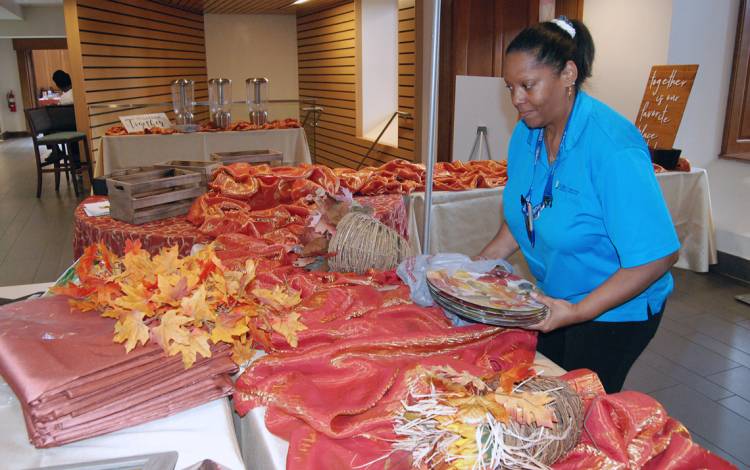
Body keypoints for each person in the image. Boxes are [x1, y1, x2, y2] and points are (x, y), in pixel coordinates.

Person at [478, 17, 680, 393]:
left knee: (579, 404)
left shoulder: (612, 146)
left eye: (527, 85)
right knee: (543, 383)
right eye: (510, 87)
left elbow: (657, 257)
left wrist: (578, 312)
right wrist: (477, 267)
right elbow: (524, 213)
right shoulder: (528, 133)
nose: (516, 100)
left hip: (615, 308)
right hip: (557, 297)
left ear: (568, 74)